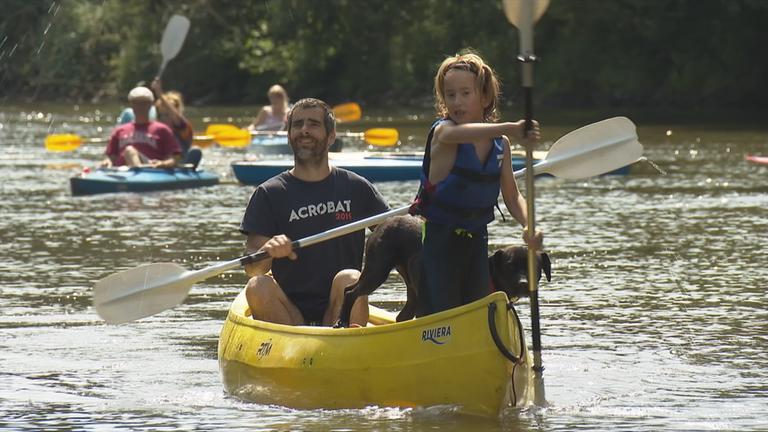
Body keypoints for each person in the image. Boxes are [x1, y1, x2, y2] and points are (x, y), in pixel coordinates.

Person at [411, 51, 543, 316]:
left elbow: (512, 195)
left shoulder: (500, 146)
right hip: (440, 242)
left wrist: (530, 223)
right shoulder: (443, 132)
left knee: (475, 309)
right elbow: (456, 134)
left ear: (485, 97)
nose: (456, 102)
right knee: (442, 311)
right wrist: (511, 127)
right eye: (450, 95)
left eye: (465, 93)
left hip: (476, 240)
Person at [240, 98, 390, 326]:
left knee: (351, 278)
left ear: (331, 136)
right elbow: (252, 269)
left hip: (339, 306)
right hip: (289, 316)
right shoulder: (269, 193)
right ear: (289, 135)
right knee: (257, 285)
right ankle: (297, 349)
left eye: (313, 124)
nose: (304, 131)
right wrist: (268, 251)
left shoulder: (356, 187)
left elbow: (394, 236)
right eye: (298, 124)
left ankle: (349, 345)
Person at [100, 86, 181, 168]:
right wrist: (107, 162)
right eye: (137, 103)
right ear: (131, 105)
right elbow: (111, 158)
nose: (140, 107)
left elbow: (174, 160)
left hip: (151, 170)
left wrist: (162, 164)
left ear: (150, 105)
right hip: (122, 174)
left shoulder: (162, 130)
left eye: (144, 103)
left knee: (129, 151)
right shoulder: (119, 130)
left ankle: (138, 175)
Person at [150, 78, 203, 169]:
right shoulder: (155, 131)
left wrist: (159, 94)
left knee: (196, 151)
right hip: (160, 165)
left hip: (180, 166)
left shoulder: (183, 128)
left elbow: (175, 117)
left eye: (167, 115)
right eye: (161, 116)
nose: (163, 119)